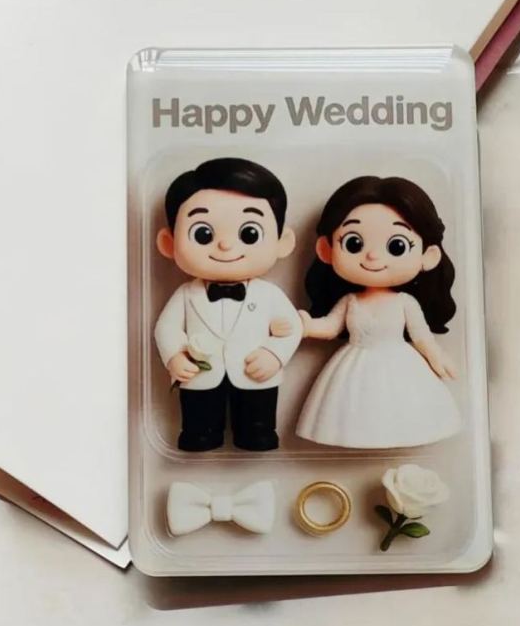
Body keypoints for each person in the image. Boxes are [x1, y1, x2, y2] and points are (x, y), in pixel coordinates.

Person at [296, 175, 462, 449]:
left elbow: (421, 337)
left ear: (428, 256)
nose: (373, 256)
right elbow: (330, 326)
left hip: (401, 365)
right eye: (354, 243)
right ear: (326, 250)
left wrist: (437, 356)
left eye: (396, 246)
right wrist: (304, 324)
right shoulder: (350, 300)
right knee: (352, 411)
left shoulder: (404, 302)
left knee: (399, 408)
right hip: (353, 367)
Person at [154, 158, 301, 452]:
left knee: (258, 416)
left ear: (282, 242)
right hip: (199, 374)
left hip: (255, 372)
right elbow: (165, 328)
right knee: (198, 416)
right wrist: (175, 358)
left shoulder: (268, 294)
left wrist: (274, 355)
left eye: (249, 234)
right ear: (169, 243)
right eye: (203, 234)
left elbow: (293, 327)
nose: (225, 246)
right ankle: (199, 435)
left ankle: (257, 434)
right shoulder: (186, 294)